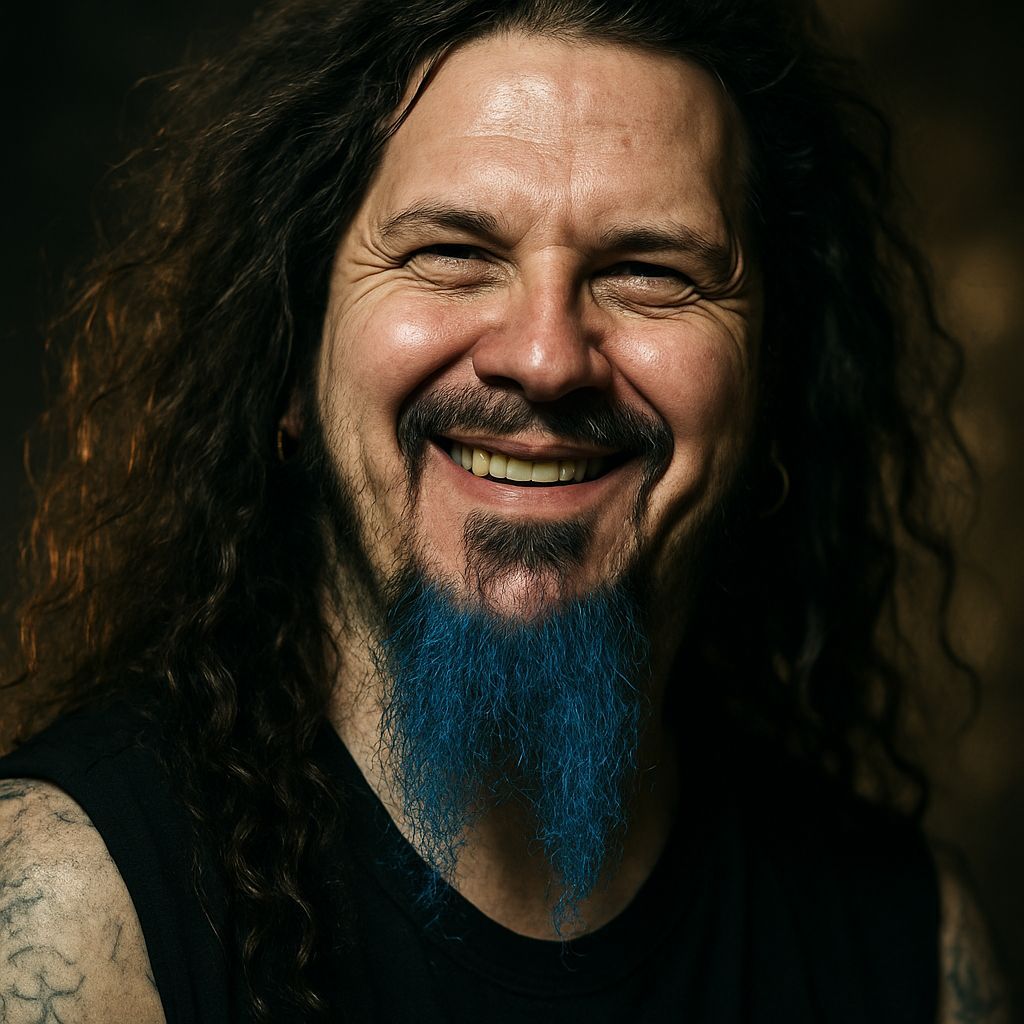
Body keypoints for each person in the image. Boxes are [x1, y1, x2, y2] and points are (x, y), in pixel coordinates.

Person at [0, 0, 1009, 1021]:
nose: (544, 356)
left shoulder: (915, 949)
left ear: (770, 382)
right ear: (291, 364)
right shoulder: (73, 909)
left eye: (648, 272)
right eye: (450, 251)